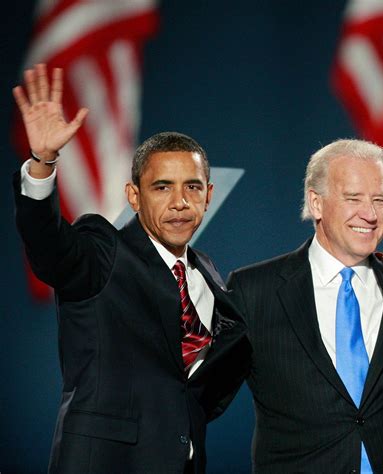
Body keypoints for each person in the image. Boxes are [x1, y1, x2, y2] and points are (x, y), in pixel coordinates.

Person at [12, 63, 251, 474]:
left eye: (192, 186)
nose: (180, 201)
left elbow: (200, 380)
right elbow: (50, 248)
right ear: (134, 197)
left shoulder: (205, 273)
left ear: (208, 195)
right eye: (162, 187)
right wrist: (42, 163)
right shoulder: (104, 251)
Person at [227, 139, 383, 474]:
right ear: (316, 203)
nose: (370, 214)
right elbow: (197, 389)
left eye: (379, 200)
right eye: (354, 198)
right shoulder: (255, 291)